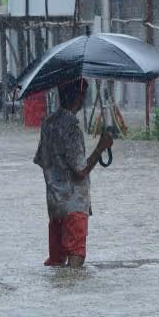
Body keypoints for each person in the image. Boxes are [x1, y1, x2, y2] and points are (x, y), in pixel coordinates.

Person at [33, 79, 113, 268]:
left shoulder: (48, 124)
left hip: (54, 205)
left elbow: (41, 160)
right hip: (74, 204)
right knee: (76, 261)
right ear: (78, 97)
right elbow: (80, 171)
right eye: (84, 95)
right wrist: (101, 148)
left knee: (57, 263)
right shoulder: (71, 128)